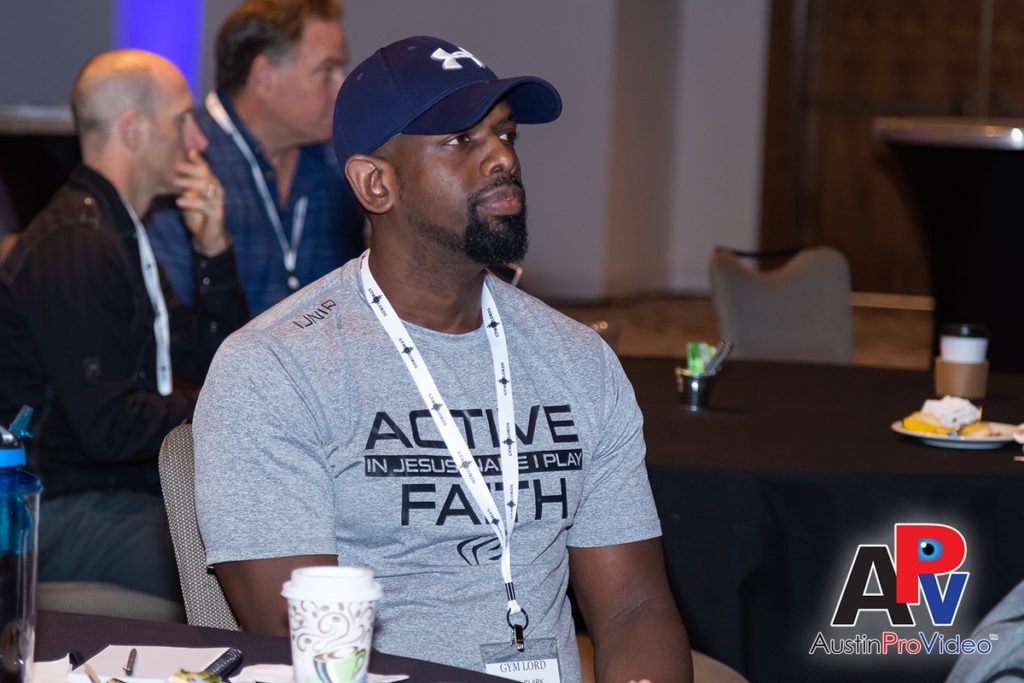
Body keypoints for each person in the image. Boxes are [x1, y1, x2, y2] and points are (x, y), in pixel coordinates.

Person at [193, 36, 693, 682]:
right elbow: (309, 645)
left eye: (505, 134)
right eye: (461, 140)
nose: (502, 158)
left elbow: (634, 607)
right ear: (376, 183)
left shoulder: (578, 361)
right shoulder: (275, 369)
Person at [0, 49, 248, 600]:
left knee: (255, 531)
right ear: (133, 130)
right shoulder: (78, 245)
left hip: (109, 496)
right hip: (54, 509)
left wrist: (213, 251)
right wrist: (228, 408)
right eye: (183, 120)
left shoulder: (118, 231)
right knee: (239, 560)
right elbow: (110, 428)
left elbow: (217, 360)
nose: (198, 142)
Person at [147, 0, 364, 317]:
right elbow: (172, 326)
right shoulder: (185, 165)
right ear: (264, 78)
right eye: (327, 71)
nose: (342, 88)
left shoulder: (342, 168)